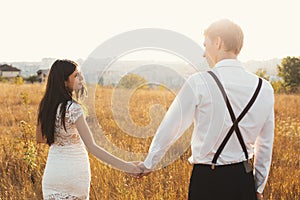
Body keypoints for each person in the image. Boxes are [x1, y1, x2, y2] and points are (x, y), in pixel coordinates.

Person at [137, 19, 274, 200]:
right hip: (244, 179)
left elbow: (171, 127)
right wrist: (258, 185)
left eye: (205, 44)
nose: (203, 53)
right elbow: (265, 144)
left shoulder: (199, 82)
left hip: (207, 180)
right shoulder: (264, 88)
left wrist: (149, 164)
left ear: (218, 42)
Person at [36, 59, 141, 200]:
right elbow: (92, 147)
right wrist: (127, 166)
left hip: (53, 175)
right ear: (64, 81)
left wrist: (61, 136)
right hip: (74, 174)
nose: (81, 79)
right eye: (76, 75)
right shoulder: (73, 109)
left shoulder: (45, 106)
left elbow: (40, 139)